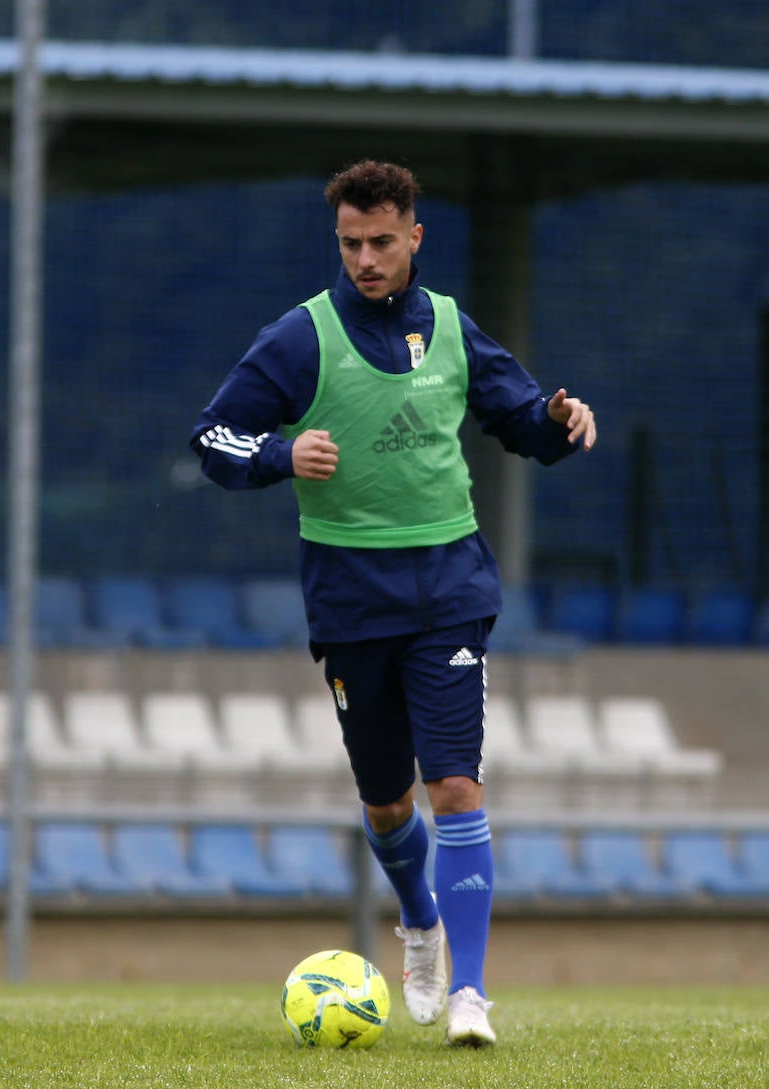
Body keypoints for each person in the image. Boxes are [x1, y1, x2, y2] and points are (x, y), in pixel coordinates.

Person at [189, 159, 596, 1048]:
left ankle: (472, 995)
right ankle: (419, 925)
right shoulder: (301, 337)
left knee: (454, 783)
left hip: (451, 587)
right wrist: (281, 455)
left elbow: (520, 416)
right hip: (350, 598)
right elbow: (214, 436)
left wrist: (561, 422)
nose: (366, 259)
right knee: (385, 801)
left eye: (381, 241)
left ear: (416, 235)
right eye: (350, 243)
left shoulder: (451, 327)